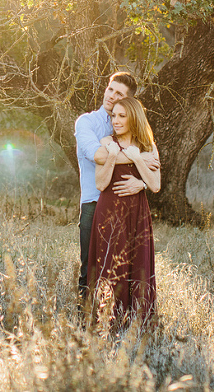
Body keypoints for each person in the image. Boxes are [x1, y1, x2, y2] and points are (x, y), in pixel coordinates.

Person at [74, 71, 157, 300]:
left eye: (119, 93)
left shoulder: (130, 126)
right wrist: (137, 156)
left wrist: (142, 183)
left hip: (127, 205)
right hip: (94, 203)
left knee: (126, 268)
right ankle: (86, 325)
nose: (111, 95)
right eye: (110, 89)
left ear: (126, 100)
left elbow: (153, 170)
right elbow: (98, 155)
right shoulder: (86, 122)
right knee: (90, 269)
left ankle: (121, 323)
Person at [88, 95, 159, 330]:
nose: (116, 120)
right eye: (113, 116)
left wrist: (138, 163)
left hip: (137, 212)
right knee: (111, 264)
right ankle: (110, 321)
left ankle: (139, 323)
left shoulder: (147, 146)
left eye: (122, 116)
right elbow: (100, 183)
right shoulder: (107, 141)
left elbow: (156, 185)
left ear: (133, 117)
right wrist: (111, 156)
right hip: (110, 211)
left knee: (138, 264)